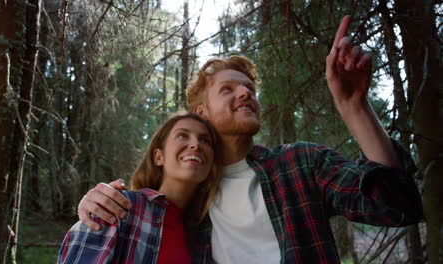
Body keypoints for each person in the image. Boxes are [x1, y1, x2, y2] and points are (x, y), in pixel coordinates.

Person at [76, 16, 422, 263]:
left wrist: (354, 108)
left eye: (249, 88)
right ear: (202, 113)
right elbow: (140, 219)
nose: (245, 93)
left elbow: (396, 205)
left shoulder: (300, 163)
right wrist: (93, 207)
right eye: (227, 89)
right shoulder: (191, 197)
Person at [58, 112, 221, 263]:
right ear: (159, 157)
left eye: (204, 140)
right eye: (182, 135)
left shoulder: (208, 230)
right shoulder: (117, 207)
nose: (195, 144)